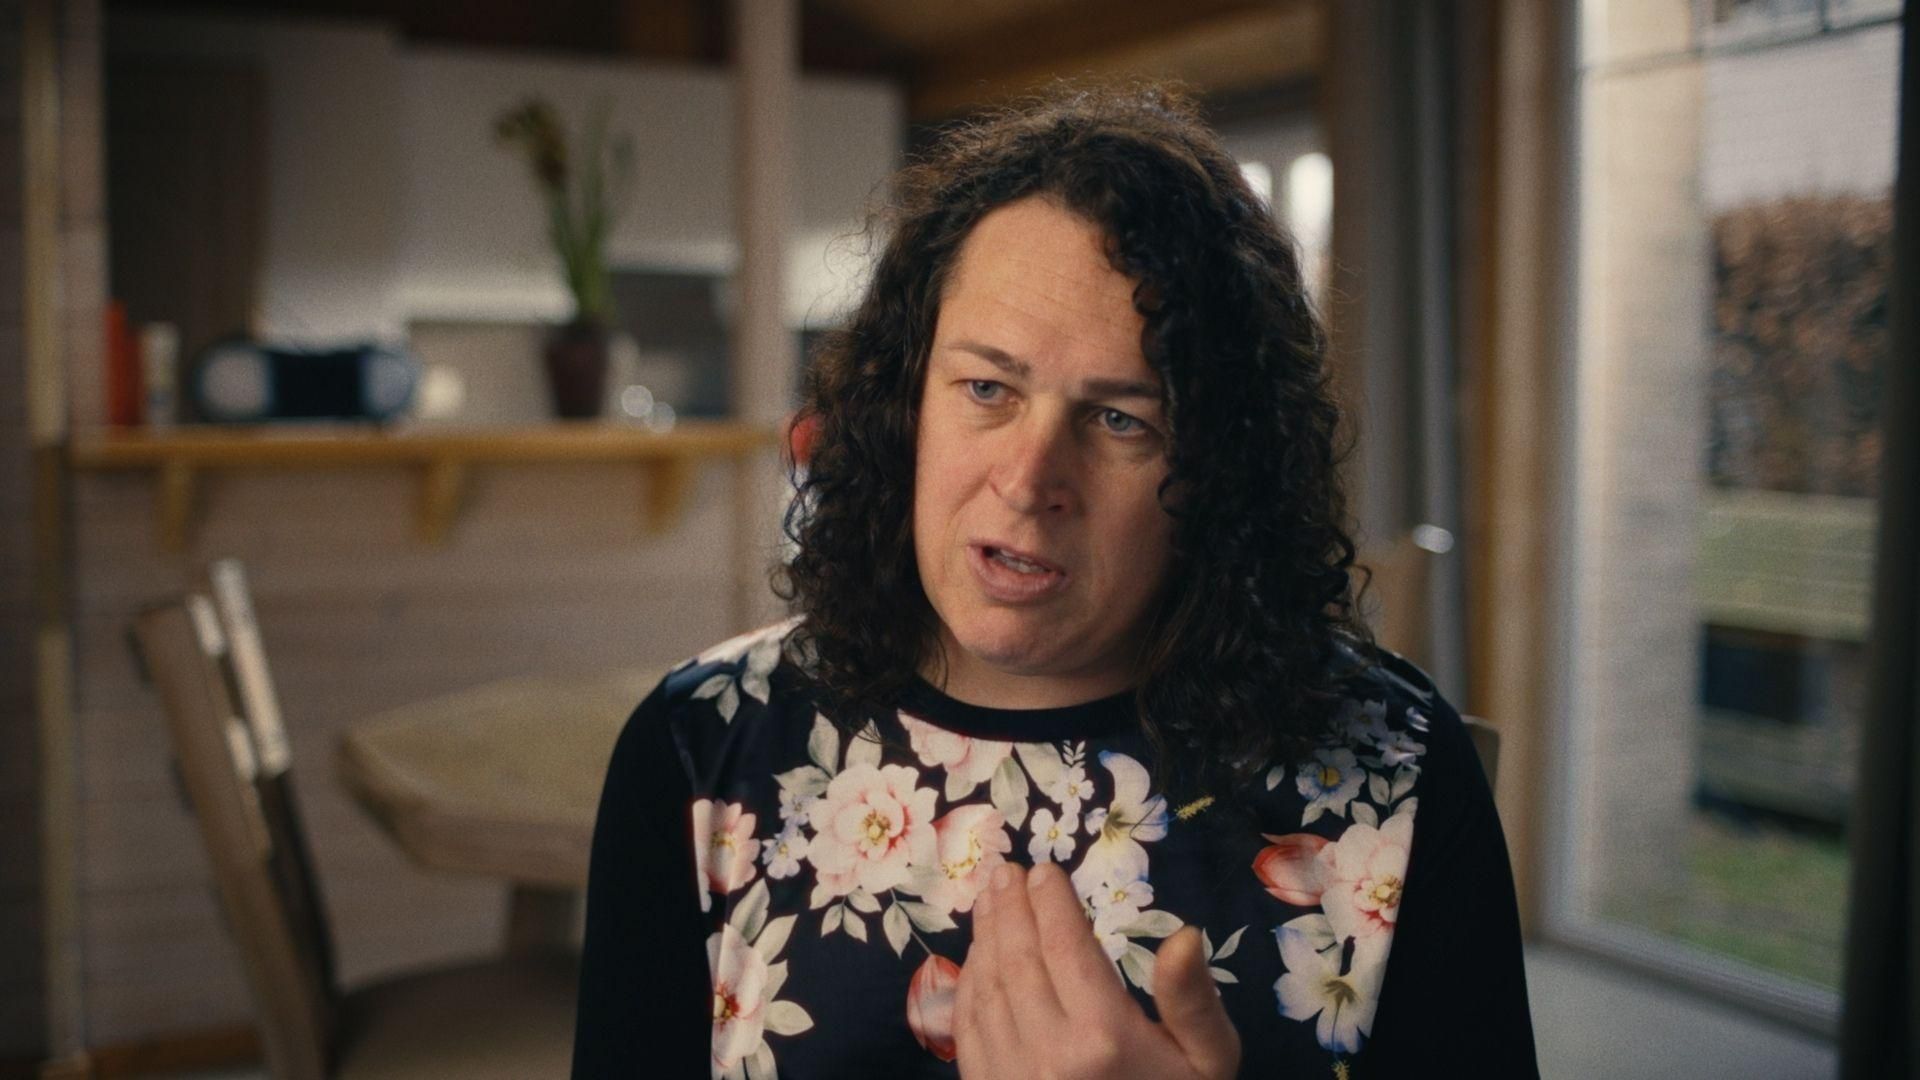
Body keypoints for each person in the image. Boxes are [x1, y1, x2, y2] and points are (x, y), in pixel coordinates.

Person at [572, 84, 1538, 1079]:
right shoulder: (700, 748)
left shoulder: (1396, 770)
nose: (1030, 480)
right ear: (905, 402)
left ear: (1220, 473)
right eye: (987, 387)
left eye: (1121, 418)